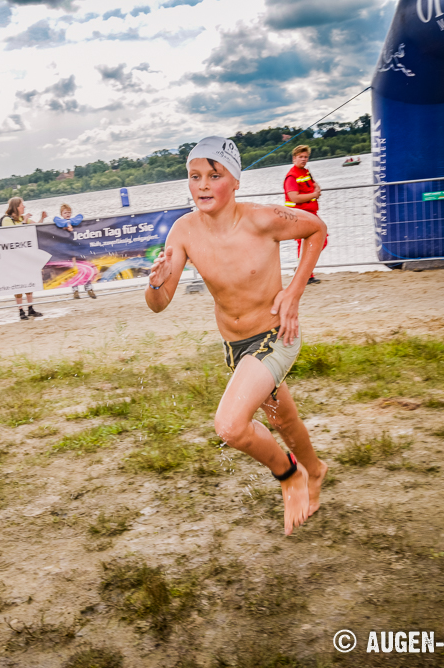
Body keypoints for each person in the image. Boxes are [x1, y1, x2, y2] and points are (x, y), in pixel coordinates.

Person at [146, 136, 329, 536]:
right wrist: (155, 283)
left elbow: (316, 230)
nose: (203, 185)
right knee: (283, 418)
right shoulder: (183, 231)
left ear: (235, 181)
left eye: (215, 175)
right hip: (236, 345)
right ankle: (315, 470)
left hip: (276, 333)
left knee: (230, 426)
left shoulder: (262, 219)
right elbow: (159, 304)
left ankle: (290, 476)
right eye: (195, 176)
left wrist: (294, 291)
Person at [284, 145, 329, 285]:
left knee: (321, 240)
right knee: (304, 243)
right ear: (294, 158)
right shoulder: (291, 176)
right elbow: (294, 197)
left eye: (306, 157)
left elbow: (314, 185)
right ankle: (305, 273)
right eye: (301, 157)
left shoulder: (305, 172)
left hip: (311, 213)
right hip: (299, 214)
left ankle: (304, 269)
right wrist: (314, 195)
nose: (304, 159)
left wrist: (317, 190)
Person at [0, 197, 45, 320]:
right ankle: (20, 310)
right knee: (18, 284)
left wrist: (42, 218)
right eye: (22, 205)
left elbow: (37, 226)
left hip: (25, 257)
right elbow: (15, 235)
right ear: (16, 207)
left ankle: (30, 308)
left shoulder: (22, 219)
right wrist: (24, 221)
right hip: (13, 258)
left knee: (29, 282)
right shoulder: (7, 219)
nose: (24, 207)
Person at [55, 204, 95, 300]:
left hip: (79, 248)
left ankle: (89, 288)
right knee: (74, 270)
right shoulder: (60, 221)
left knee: (85, 268)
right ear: (61, 214)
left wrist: (69, 223)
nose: (67, 214)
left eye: (69, 212)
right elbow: (56, 219)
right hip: (69, 251)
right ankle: (75, 290)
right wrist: (66, 225)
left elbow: (80, 216)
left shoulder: (74, 221)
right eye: (65, 213)